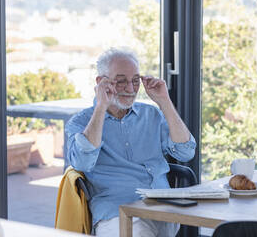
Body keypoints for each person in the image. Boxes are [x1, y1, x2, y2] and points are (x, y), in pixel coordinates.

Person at [65, 47, 196, 236]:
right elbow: (82, 163)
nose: (130, 89)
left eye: (135, 81)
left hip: (164, 209)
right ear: (101, 82)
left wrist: (164, 101)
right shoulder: (81, 123)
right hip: (118, 214)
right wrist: (101, 107)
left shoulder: (152, 114)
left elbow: (186, 152)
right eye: (121, 81)